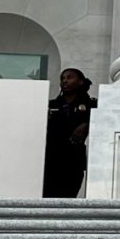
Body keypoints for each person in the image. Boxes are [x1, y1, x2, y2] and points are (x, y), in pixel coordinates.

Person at [43, 68, 97, 198]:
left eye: (69, 77)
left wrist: (87, 124)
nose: (65, 81)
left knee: (67, 199)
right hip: (51, 161)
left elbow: (106, 121)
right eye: (62, 78)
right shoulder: (51, 104)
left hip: (73, 161)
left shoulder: (91, 105)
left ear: (80, 82)